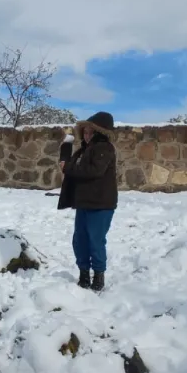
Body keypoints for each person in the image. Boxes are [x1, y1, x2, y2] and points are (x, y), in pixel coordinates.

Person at [57, 111, 118, 292]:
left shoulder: (105, 148)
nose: (87, 135)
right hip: (83, 202)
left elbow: (93, 171)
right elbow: (71, 167)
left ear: (100, 133)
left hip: (100, 204)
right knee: (80, 240)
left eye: (91, 132)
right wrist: (65, 152)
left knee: (95, 241)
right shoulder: (83, 150)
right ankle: (84, 274)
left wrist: (67, 167)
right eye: (85, 131)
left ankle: (98, 276)